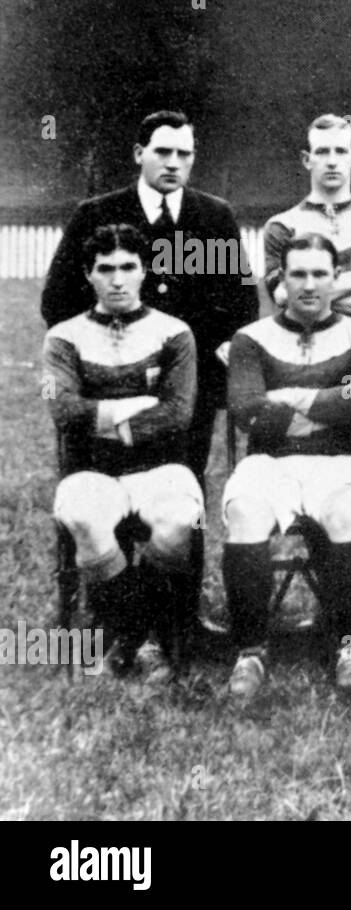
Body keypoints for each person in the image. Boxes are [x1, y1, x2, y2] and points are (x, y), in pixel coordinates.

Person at [41, 110, 257, 490]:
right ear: (139, 153)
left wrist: (223, 346)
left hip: (189, 382)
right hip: (106, 382)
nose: (174, 163)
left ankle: (186, 547)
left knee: (184, 485)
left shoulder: (214, 217)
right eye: (163, 151)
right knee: (101, 488)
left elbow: (242, 303)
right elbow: (57, 302)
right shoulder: (94, 214)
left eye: (184, 154)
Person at [222, 234, 351, 699]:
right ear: (280, 280)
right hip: (269, 461)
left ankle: (348, 645)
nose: (310, 284)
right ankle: (251, 650)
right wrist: (326, 402)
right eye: (299, 274)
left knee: (345, 512)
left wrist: (288, 400)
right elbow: (246, 408)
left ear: (337, 279)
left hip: (340, 461)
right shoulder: (251, 339)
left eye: (320, 274)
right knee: (245, 512)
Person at [44, 224, 199, 684]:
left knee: (176, 523)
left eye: (128, 267)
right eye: (105, 269)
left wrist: (103, 416)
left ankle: (122, 631)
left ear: (144, 270)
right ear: (88, 274)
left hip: (162, 468)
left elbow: (177, 414)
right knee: (85, 516)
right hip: (91, 469)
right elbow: (63, 411)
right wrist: (136, 406)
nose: (117, 279)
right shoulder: (63, 337)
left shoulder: (175, 333)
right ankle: (144, 634)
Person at [263, 113, 351, 478]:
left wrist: (313, 293)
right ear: (306, 159)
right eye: (322, 151)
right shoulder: (282, 226)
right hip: (306, 374)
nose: (331, 160)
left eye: (340, 151)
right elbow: (283, 296)